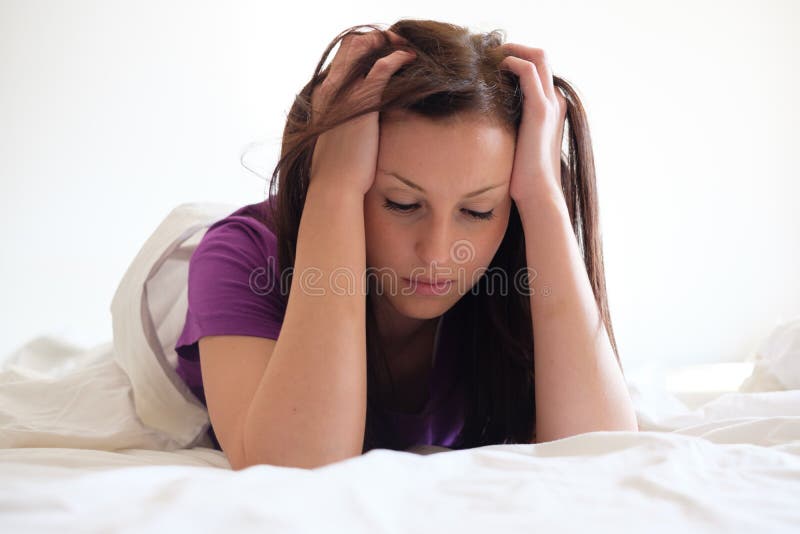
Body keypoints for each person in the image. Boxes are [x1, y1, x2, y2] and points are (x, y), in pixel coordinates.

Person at [174, 19, 634, 470]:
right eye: (401, 203)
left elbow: (602, 458)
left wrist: (545, 196)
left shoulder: (517, 255)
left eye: (476, 212)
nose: (437, 254)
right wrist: (332, 185)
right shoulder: (244, 256)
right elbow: (297, 471)